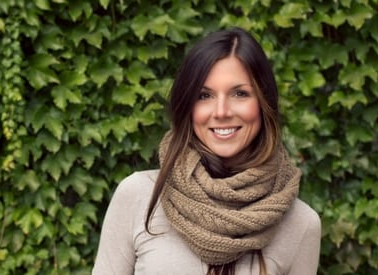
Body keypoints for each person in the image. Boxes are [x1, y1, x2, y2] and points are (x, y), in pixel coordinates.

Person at [92, 27, 321, 275]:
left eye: (240, 93)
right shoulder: (138, 196)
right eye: (204, 95)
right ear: (187, 106)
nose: (221, 111)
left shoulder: (301, 224)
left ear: (264, 102)